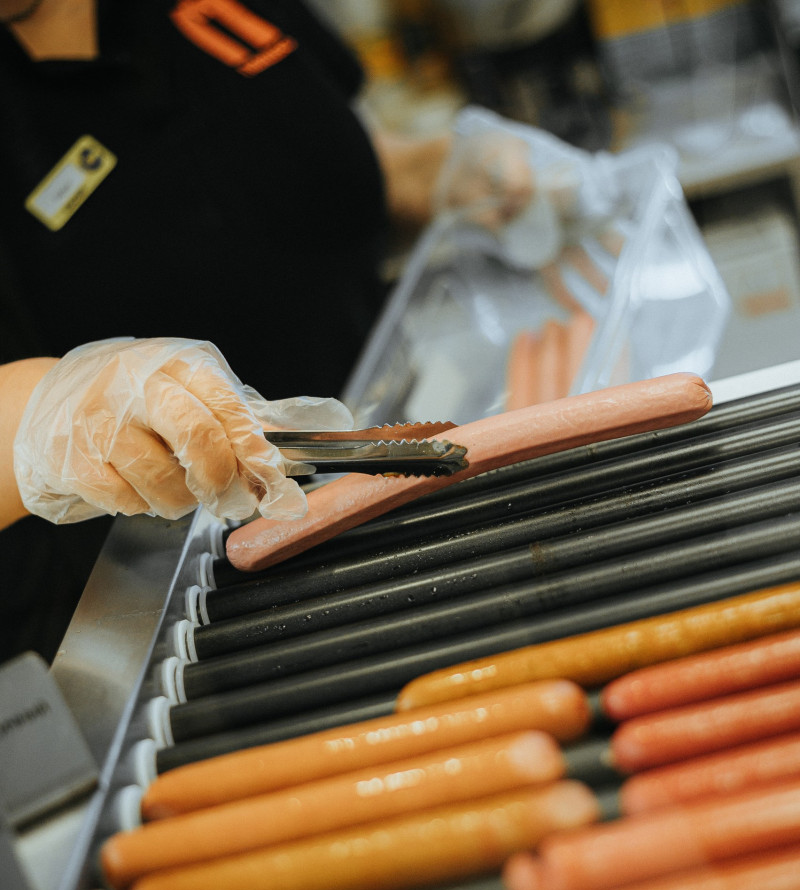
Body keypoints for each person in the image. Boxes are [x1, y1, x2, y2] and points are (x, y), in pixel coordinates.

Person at [0, 0, 534, 663]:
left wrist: (448, 173)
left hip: (398, 488)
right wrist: (46, 418)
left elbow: (316, 168)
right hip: (160, 640)